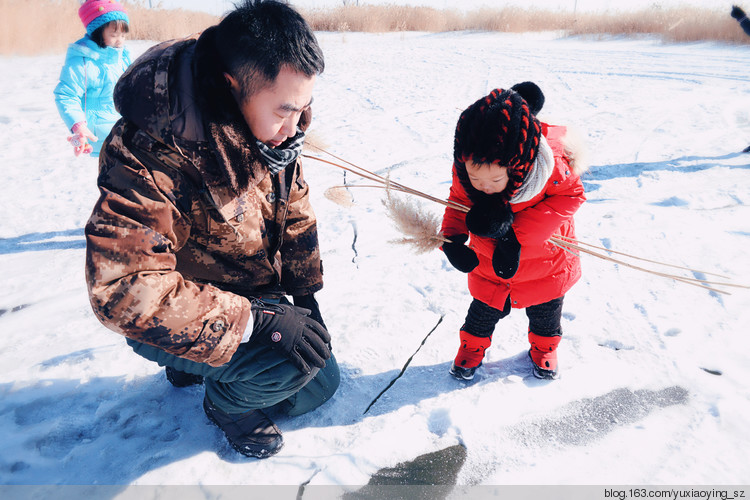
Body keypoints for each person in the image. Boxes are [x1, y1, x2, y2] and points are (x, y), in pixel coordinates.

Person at [84, 0, 340, 459]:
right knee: (297, 378)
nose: (297, 126)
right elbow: (122, 290)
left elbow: (294, 204)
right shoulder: (148, 153)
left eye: (305, 108)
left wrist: (305, 295)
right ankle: (228, 406)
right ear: (232, 85)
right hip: (177, 310)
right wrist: (255, 324)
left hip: (245, 286)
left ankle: (200, 366)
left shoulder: (273, 132)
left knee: (316, 371)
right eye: (285, 110)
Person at [440, 82, 586, 381]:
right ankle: (472, 347)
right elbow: (458, 200)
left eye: (495, 180)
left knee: (546, 313)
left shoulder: (549, 167)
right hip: (489, 265)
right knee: (483, 310)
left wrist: (515, 235)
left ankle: (545, 348)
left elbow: (571, 196)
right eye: (476, 179)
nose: (484, 187)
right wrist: (452, 239)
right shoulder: (470, 164)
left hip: (545, 262)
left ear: (517, 166)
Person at [54, 0, 132, 157]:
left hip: (125, 129)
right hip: (100, 135)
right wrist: (78, 126)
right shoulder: (83, 61)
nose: (120, 41)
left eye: (123, 35)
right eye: (114, 35)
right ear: (97, 32)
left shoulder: (122, 57)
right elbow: (66, 95)